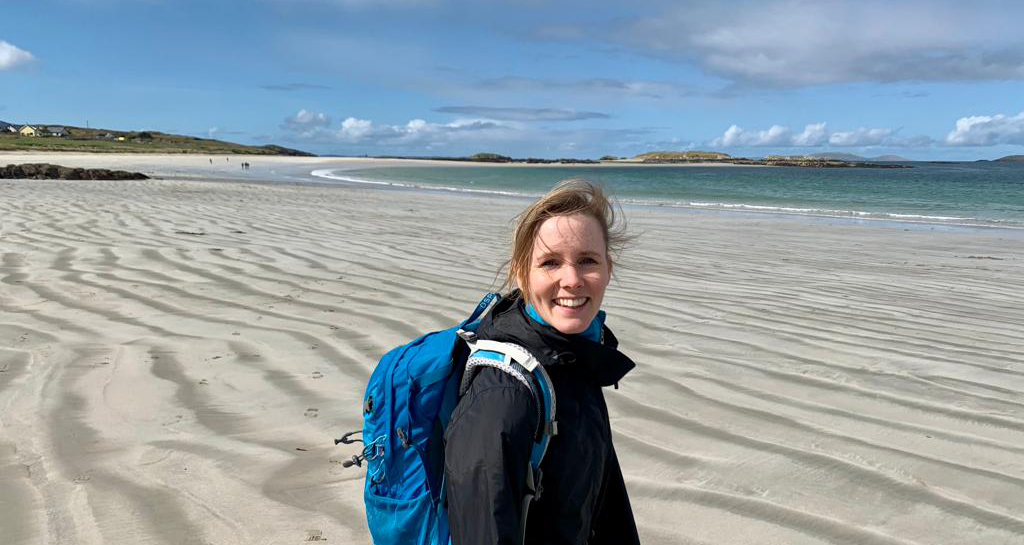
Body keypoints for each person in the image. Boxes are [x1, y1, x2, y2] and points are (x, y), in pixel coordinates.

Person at [444, 179, 641, 545]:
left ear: (608, 269)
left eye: (588, 261)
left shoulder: (575, 358)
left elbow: (603, 500)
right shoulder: (502, 395)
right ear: (522, 273)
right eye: (550, 263)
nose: (572, 279)